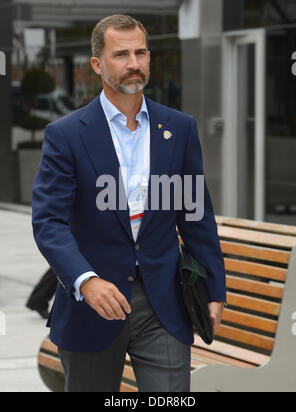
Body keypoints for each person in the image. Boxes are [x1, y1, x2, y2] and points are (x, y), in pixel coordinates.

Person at [32, 14, 226, 393]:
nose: (133, 63)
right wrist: (86, 281)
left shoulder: (179, 128)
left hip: (165, 302)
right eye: (121, 54)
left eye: (140, 52)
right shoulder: (66, 135)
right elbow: (49, 222)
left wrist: (215, 289)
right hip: (93, 303)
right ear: (97, 64)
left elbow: (195, 214)